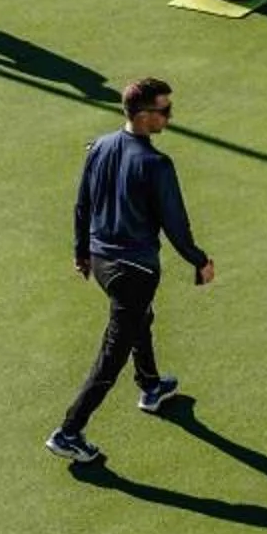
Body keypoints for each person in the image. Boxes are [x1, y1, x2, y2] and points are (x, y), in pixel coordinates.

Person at [48, 77, 212, 465]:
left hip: (103, 263)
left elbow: (81, 204)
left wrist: (81, 252)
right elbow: (175, 223)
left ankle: (151, 386)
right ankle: (68, 432)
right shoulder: (156, 164)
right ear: (142, 117)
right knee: (112, 354)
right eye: (164, 111)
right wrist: (199, 260)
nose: (169, 117)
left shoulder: (100, 146)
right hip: (134, 270)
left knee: (141, 317)